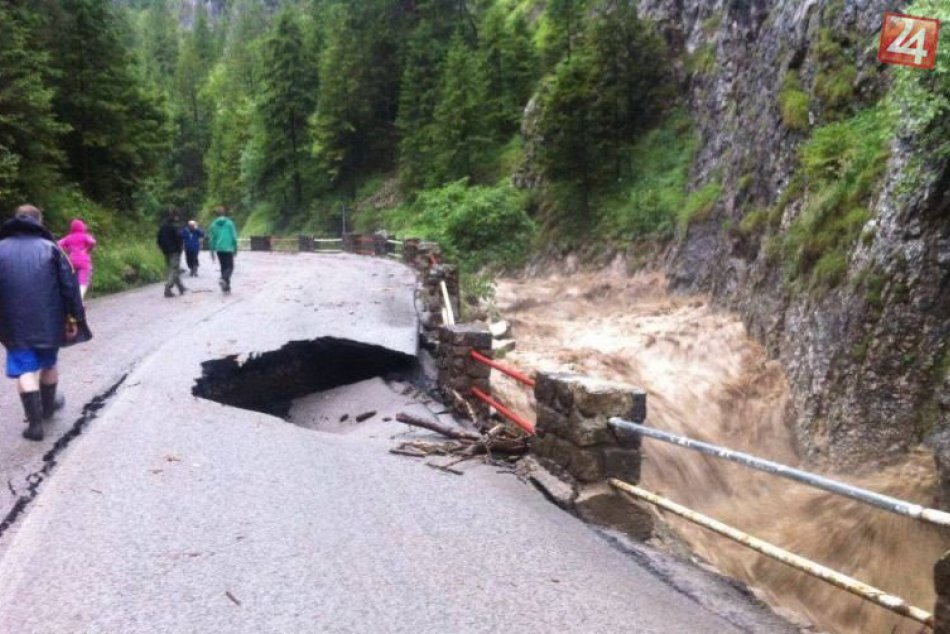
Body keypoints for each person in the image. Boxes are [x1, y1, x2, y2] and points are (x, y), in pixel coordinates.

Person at [0, 205, 92, 441]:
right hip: (50, 321)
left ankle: (35, 425)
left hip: (13, 323)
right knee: (48, 364)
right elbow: (70, 287)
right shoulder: (52, 249)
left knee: (24, 369)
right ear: (39, 221)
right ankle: (48, 408)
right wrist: (74, 318)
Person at [58, 218, 97, 299]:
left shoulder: (69, 237)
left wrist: (66, 251)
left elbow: (58, 244)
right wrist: (87, 250)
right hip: (83, 260)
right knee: (83, 281)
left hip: (71, 261)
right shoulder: (84, 236)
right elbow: (93, 242)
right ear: (82, 227)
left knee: (73, 281)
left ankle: (72, 301)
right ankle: (79, 301)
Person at [156, 211, 186, 298]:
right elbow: (179, 239)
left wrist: (162, 248)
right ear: (175, 218)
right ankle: (168, 287)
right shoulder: (174, 227)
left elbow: (158, 240)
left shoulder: (162, 228)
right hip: (174, 251)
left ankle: (181, 287)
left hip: (166, 251)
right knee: (174, 269)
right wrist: (180, 249)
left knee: (172, 269)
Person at [208, 206, 238, 294]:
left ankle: (226, 288)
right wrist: (235, 248)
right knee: (230, 267)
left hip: (219, 249)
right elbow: (234, 237)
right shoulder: (229, 223)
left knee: (223, 267)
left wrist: (212, 251)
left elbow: (211, 239)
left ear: (216, 215)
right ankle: (224, 279)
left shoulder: (213, 225)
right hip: (228, 248)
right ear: (224, 213)